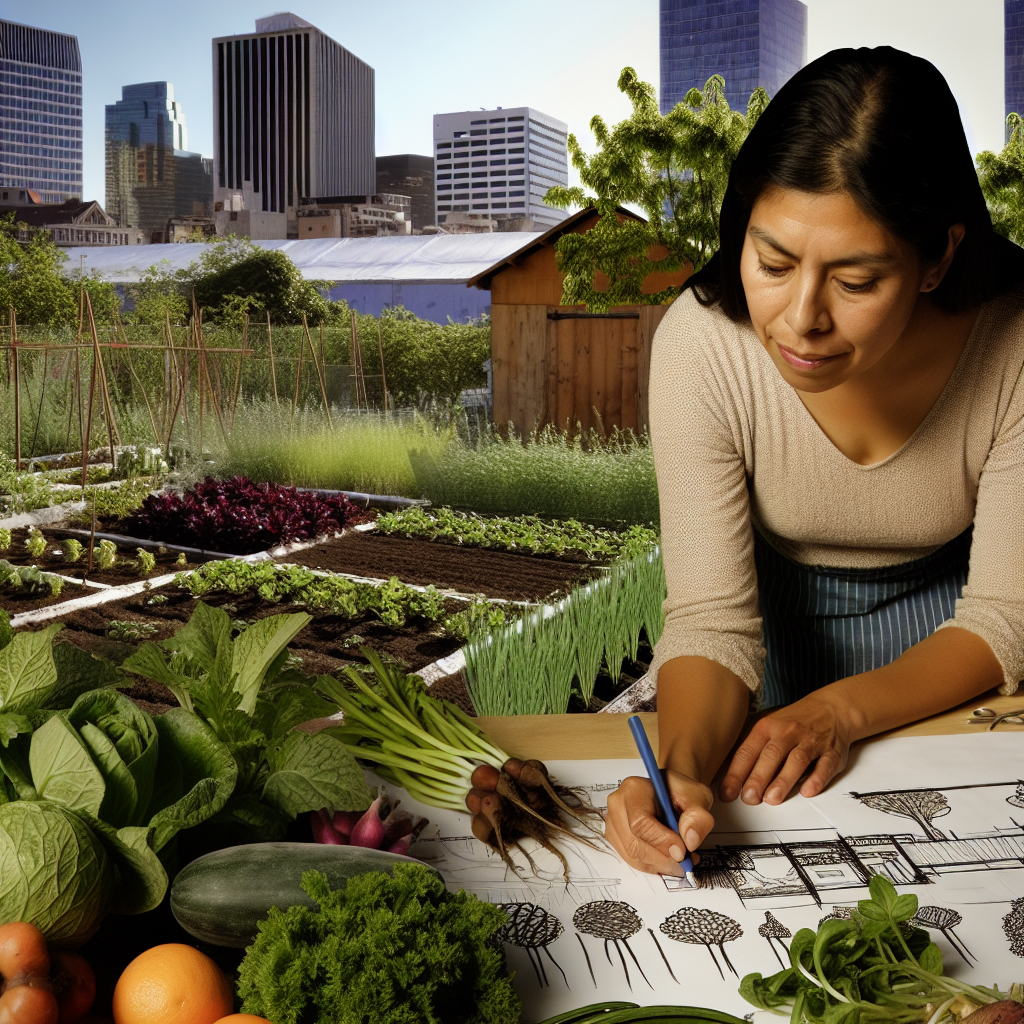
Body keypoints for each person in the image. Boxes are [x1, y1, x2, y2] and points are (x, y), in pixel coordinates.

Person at [604, 46, 1024, 877]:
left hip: (956, 670)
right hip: (766, 659)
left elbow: (1004, 616)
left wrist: (842, 712)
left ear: (938, 257)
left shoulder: (1012, 341)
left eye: (857, 281)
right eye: (772, 263)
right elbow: (715, 621)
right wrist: (680, 769)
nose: (801, 320)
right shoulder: (701, 344)